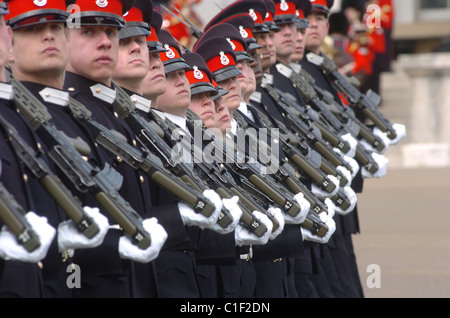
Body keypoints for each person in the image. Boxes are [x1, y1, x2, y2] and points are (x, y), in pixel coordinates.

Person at [62, 0, 168, 298]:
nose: (106, 41)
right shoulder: (67, 111)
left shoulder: (118, 114)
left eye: (112, 31)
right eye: (89, 32)